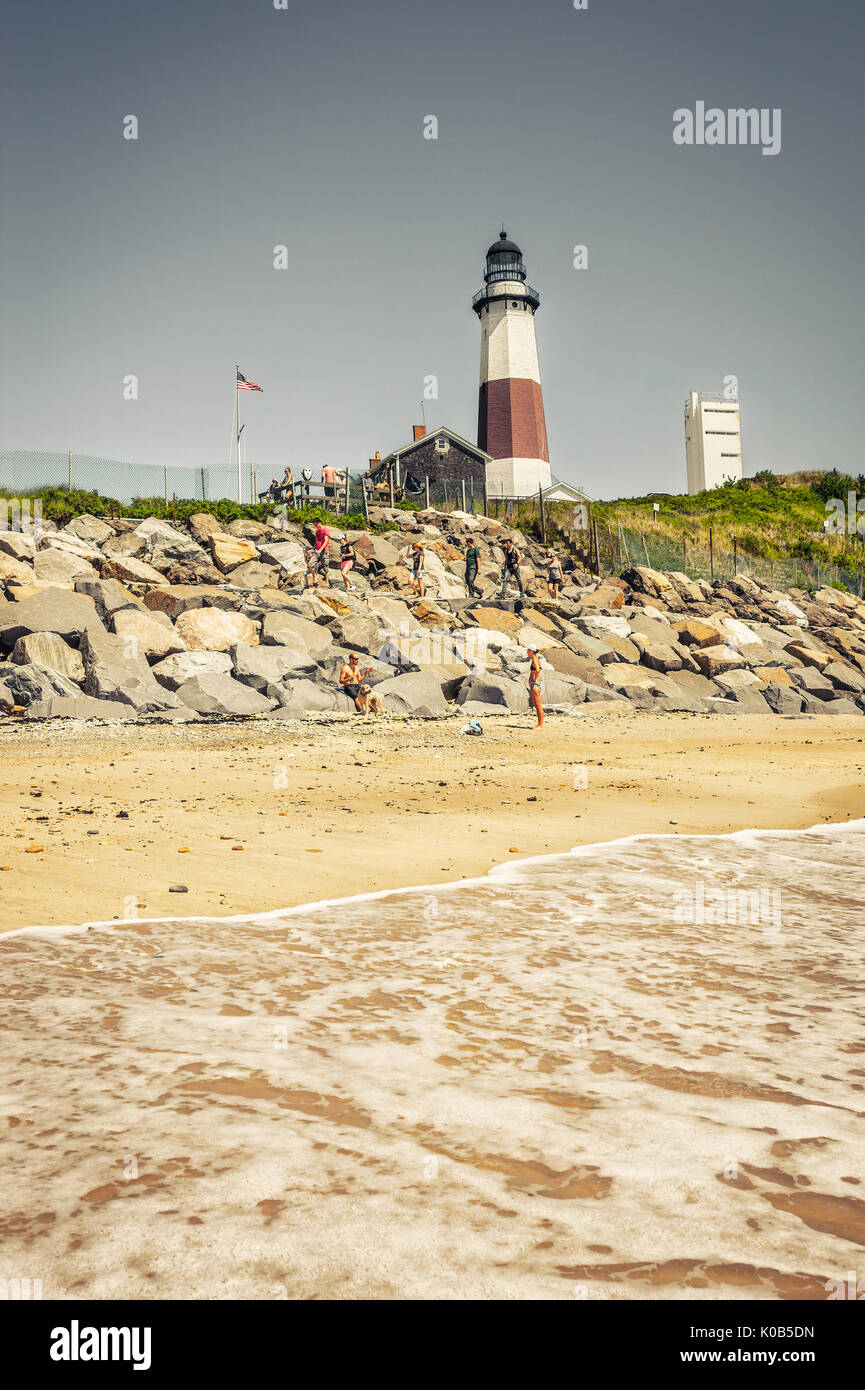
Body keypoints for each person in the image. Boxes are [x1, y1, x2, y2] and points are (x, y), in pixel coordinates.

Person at [527, 645, 544, 730]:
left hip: (535, 685)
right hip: (534, 685)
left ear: (531, 651)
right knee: (537, 706)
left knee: (538, 706)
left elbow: (537, 670)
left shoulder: (534, 658)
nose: (527, 652)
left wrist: (535, 680)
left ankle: (540, 725)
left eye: (528, 650)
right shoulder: (534, 658)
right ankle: (539, 724)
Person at [313, 520, 331, 586]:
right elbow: (316, 541)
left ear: (319, 523)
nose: (315, 526)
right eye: (314, 525)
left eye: (316, 525)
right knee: (312, 564)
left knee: (325, 566)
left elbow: (326, 541)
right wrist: (313, 549)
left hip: (324, 551)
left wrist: (320, 549)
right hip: (317, 550)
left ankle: (327, 582)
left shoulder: (325, 530)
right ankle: (315, 579)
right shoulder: (316, 531)